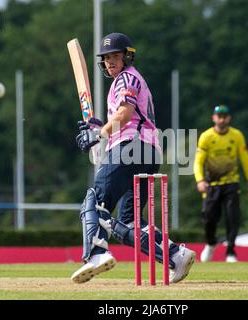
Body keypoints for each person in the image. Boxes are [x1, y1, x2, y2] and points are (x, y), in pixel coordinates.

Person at [71, 32, 195, 283]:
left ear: (127, 56)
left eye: (115, 56)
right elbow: (124, 115)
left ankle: (97, 253)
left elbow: (125, 114)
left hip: (130, 147)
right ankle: (176, 255)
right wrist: (100, 128)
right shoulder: (132, 79)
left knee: (94, 201)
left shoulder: (125, 78)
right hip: (147, 152)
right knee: (127, 224)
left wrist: (100, 133)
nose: (110, 62)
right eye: (106, 58)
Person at [193, 105, 248, 263]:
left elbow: (245, 160)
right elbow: (198, 162)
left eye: (225, 116)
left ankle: (230, 251)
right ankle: (210, 243)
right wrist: (200, 180)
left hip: (231, 184)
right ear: (213, 118)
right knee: (209, 217)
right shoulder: (206, 137)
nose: (222, 119)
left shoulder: (236, 136)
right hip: (211, 184)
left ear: (229, 118)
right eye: (219, 116)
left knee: (232, 217)